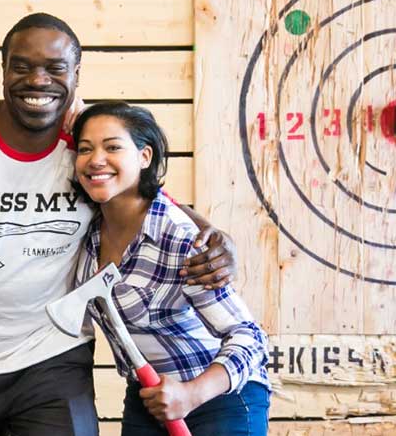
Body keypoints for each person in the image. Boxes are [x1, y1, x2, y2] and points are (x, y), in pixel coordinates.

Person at [0, 13, 240, 436]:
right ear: (3, 70)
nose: (38, 80)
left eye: (55, 68)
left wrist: (217, 237)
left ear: (76, 75)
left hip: (54, 360)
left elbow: (148, 201)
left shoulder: (87, 146)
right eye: (22, 66)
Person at [71, 102, 270, 436]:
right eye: (85, 149)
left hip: (218, 396)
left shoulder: (180, 238)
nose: (96, 160)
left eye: (113, 147)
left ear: (144, 157)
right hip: (148, 397)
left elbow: (250, 339)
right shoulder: (87, 230)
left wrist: (190, 394)